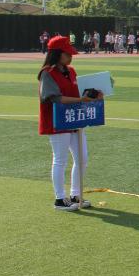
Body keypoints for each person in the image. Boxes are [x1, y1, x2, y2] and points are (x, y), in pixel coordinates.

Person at [38, 35, 101, 211]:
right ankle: (60, 199)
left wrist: (94, 95)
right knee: (60, 159)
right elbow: (55, 98)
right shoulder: (47, 73)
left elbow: (78, 91)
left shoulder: (71, 71)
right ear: (57, 54)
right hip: (57, 121)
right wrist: (81, 99)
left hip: (75, 119)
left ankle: (75, 194)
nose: (70, 56)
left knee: (82, 158)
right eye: (67, 53)